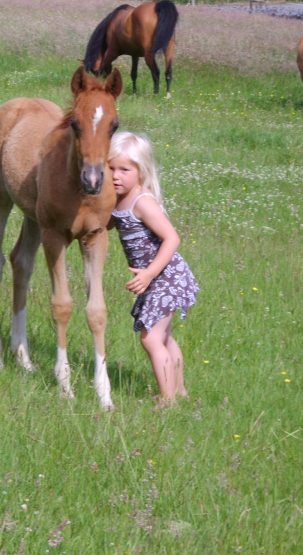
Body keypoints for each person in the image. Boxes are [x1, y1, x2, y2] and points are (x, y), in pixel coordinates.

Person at [108, 132, 199, 407]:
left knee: (151, 338)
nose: (115, 176)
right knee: (165, 336)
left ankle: (168, 400)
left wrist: (148, 274)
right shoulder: (117, 198)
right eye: (110, 168)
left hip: (166, 275)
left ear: (142, 171)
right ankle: (179, 390)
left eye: (124, 169)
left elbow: (172, 238)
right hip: (159, 277)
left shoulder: (142, 202)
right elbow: (110, 223)